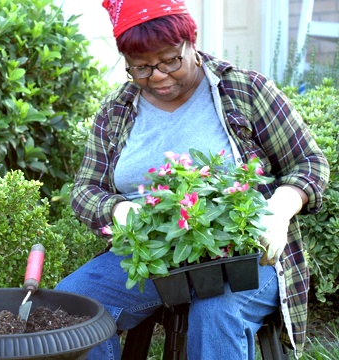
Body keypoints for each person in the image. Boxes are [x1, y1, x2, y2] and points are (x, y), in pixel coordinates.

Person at [54, 1, 330, 359]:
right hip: (154, 255)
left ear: (191, 43)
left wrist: (278, 211)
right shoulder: (117, 111)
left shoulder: (244, 90)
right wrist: (119, 211)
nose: (156, 76)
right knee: (75, 306)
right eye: (140, 67)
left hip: (245, 257)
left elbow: (309, 163)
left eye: (170, 60)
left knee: (216, 313)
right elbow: (85, 190)